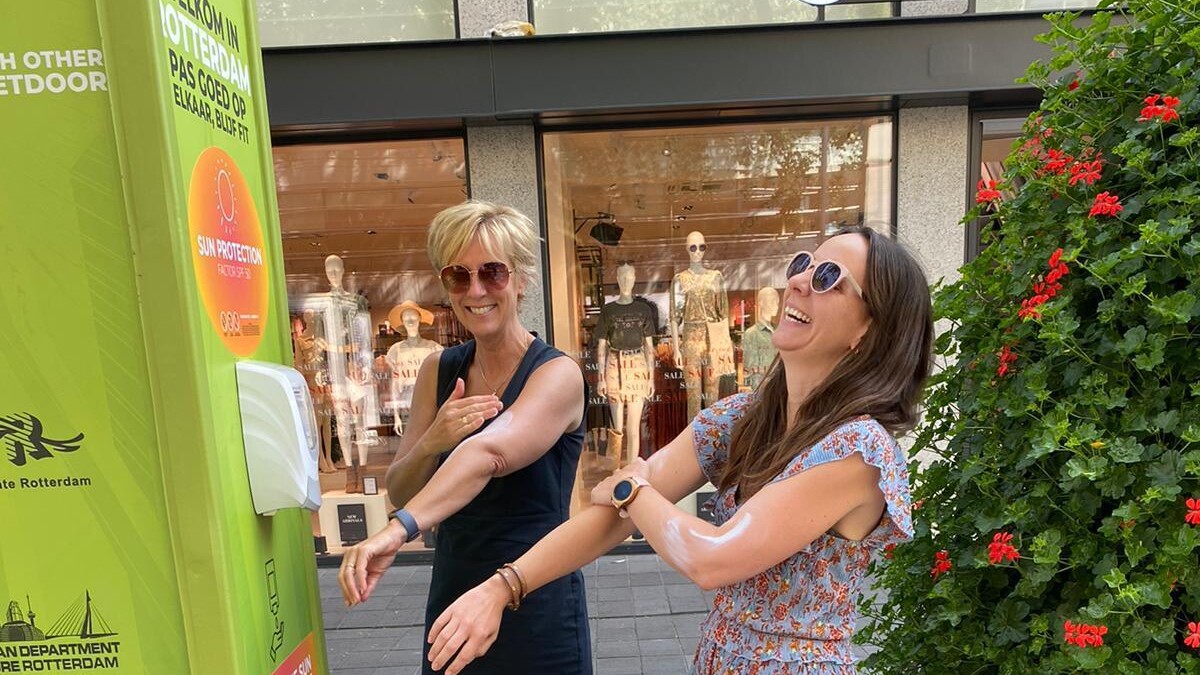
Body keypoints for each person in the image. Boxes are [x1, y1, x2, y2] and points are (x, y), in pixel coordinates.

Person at [427, 227, 933, 675]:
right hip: (718, 657)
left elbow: (712, 557)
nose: (799, 280)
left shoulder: (857, 448)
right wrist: (503, 586)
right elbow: (612, 519)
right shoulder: (744, 417)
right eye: (803, 263)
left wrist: (630, 486)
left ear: (869, 329)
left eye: (828, 277)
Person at [337, 201, 592, 674]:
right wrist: (434, 438)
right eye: (458, 276)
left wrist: (397, 531)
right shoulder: (439, 368)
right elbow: (402, 488)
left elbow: (490, 453)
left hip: (532, 593)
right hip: (454, 589)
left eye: (492, 273)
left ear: (520, 280)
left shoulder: (557, 374)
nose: (475, 290)